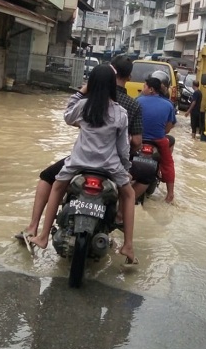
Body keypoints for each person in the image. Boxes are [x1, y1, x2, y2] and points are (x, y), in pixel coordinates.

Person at [19, 55, 145, 241]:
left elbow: (67, 116)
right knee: (128, 194)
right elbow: (126, 147)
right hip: (109, 165)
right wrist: (125, 169)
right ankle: (128, 245)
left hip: (78, 162)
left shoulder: (84, 106)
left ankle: (42, 234)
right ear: (128, 76)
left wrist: (82, 91)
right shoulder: (123, 111)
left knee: (56, 185)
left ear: (92, 83)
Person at [136, 76, 177, 203]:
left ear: (151, 89)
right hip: (159, 141)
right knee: (168, 163)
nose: (143, 89)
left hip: (138, 139)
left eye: (145, 86)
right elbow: (169, 127)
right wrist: (159, 133)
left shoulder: (137, 100)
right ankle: (170, 194)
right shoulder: (169, 105)